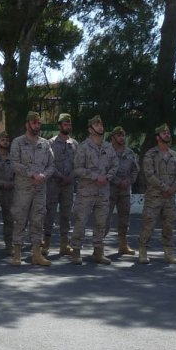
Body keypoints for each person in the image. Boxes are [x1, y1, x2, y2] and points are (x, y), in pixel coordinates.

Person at [68, 114, 118, 265]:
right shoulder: (83, 147)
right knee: (81, 222)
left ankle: (98, 252)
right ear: (90, 129)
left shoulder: (108, 147)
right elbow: (77, 169)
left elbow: (115, 165)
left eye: (101, 124)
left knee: (101, 223)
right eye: (97, 125)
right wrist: (95, 176)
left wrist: (107, 177)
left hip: (103, 192)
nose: (100, 127)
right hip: (86, 192)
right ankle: (76, 251)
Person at [10, 111, 54, 267]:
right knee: (20, 220)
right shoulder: (18, 142)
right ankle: (17, 253)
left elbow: (51, 165)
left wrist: (43, 175)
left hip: (40, 189)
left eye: (39, 123)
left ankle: (36, 254)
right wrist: (31, 174)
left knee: (38, 220)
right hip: (23, 190)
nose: (37, 126)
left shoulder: (45, 144)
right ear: (27, 124)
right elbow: (14, 163)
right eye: (34, 123)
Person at [138, 123, 176, 264]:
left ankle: (168, 253)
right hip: (154, 197)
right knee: (148, 224)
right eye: (164, 133)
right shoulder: (150, 154)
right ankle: (142, 250)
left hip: (169, 198)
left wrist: (173, 188)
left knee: (169, 226)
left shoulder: (174, 155)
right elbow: (149, 175)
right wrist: (165, 188)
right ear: (158, 137)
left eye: (168, 133)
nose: (167, 135)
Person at [44, 113, 76, 255]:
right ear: (59, 126)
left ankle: (64, 244)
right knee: (49, 213)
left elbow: (78, 164)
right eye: (65, 124)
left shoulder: (74, 144)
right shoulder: (50, 143)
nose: (67, 126)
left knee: (66, 214)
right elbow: (48, 163)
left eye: (69, 124)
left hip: (68, 185)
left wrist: (70, 177)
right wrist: (60, 176)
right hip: (53, 183)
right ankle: (46, 243)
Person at [107, 126, 139, 255]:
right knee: (104, 217)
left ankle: (123, 245)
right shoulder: (107, 151)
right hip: (109, 190)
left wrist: (129, 181)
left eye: (123, 135)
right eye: (119, 135)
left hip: (125, 190)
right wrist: (117, 181)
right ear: (113, 137)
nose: (122, 138)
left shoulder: (130, 152)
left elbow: (135, 170)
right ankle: (99, 246)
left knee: (125, 218)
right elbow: (103, 169)